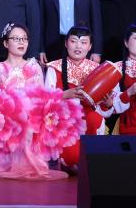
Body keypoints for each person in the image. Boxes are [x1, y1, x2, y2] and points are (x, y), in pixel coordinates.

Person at [0, 23, 63, 181]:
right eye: (16, 39)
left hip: (29, 122)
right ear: (6, 43)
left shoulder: (34, 67)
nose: (21, 42)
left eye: (24, 39)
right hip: (5, 123)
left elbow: (41, 100)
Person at [44, 27, 115, 170]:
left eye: (83, 42)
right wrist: (65, 94)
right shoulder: (54, 67)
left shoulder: (98, 69)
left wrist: (108, 104)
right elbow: (45, 101)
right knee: (73, 158)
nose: (78, 46)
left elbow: (103, 107)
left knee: (95, 119)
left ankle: (91, 159)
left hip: (88, 121)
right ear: (66, 43)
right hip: (63, 122)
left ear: (90, 46)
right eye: (73, 41)